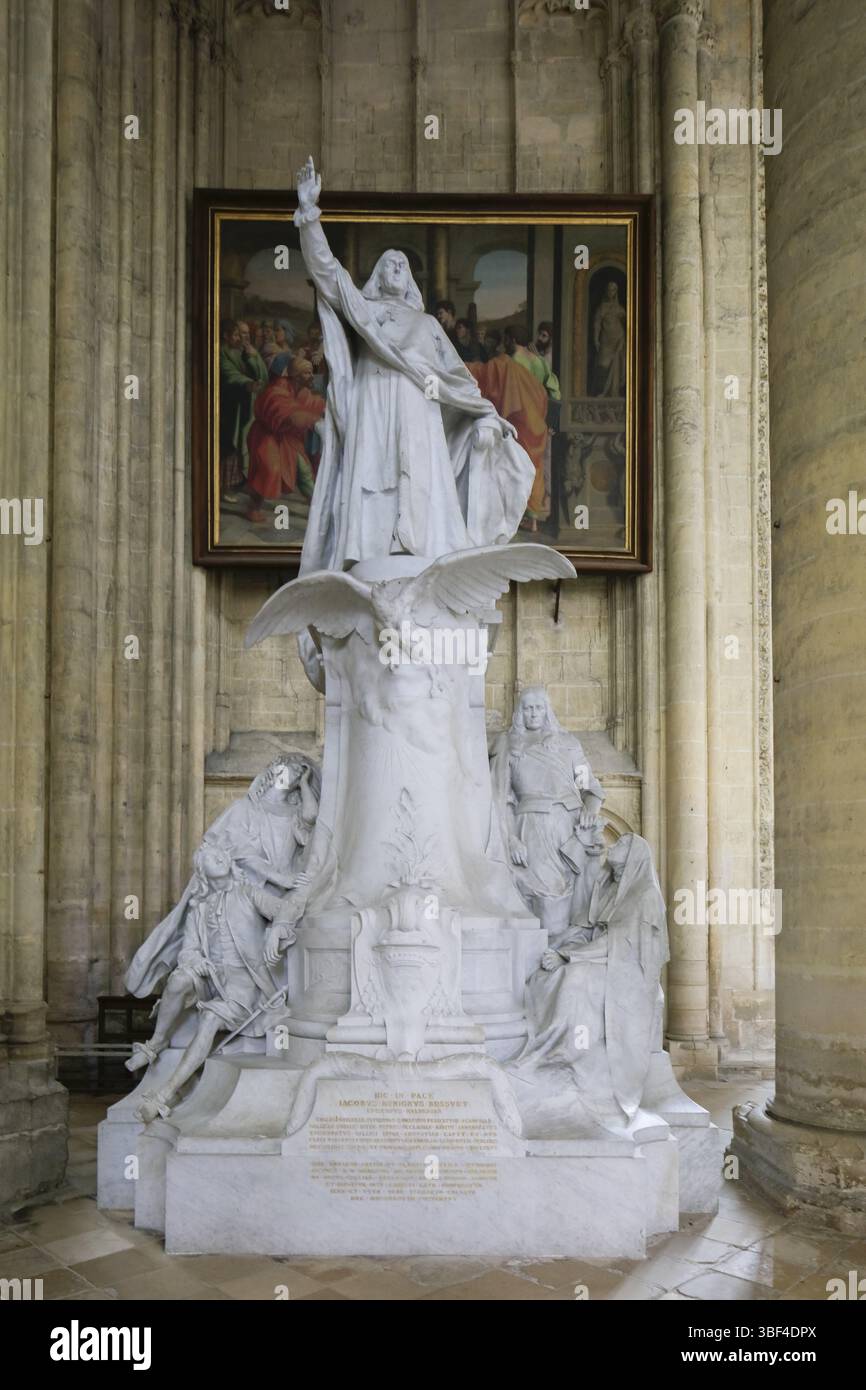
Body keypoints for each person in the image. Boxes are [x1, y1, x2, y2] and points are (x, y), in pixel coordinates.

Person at [292, 156, 534, 570]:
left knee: (415, 477)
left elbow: (458, 378)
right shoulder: (363, 311)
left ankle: (417, 548)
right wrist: (310, 216)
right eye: (389, 263)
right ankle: (367, 553)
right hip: (373, 400)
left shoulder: (427, 325)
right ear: (378, 275)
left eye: (403, 264)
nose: (396, 267)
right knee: (371, 475)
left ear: (411, 278)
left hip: (417, 404)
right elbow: (329, 273)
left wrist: (486, 414)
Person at [133, 844, 299, 1123]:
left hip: (243, 990)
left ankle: (164, 1095)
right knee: (178, 979)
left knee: (210, 1017)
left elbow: (286, 908)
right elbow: (188, 949)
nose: (220, 856)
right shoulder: (200, 909)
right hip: (211, 982)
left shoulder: (247, 893)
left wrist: (277, 930)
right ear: (203, 871)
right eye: (211, 856)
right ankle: (155, 1044)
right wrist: (194, 960)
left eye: (222, 854)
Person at [513, 834, 669, 1124]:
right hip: (605, 958)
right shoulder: (608, 886)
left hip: (627, 969)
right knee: (548, 978)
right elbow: (589, 929)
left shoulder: (644, 893)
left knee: (576, 978)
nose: (616, 845)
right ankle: (546, 1048)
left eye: (622, 843)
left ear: (635, 854)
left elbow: (619, 942)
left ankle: (559, 1051)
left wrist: (569, 957)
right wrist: (561, 946)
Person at [491, 687, 604, 941]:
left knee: (575, 903)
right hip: (532, 829)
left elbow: (592, 789)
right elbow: (499, 799)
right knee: (548, 901)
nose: (533, 714)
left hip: (569, 830)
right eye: (528, 708)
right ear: (520, 712)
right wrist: (510, 839)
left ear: (547, 711)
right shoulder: (509, 745)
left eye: (538, 708)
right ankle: (543, 966)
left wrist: (590, 809)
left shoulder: (568, 744)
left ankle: (561, 960)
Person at [244, 351, 325, 522]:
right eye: (307, 372)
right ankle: (254, 507)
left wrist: (326, 410)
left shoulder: (301, 390)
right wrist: (314, 421)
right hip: (266, 436)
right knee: (269, 471)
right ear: (296, 375)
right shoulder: (277, 389)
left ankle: (318, 510)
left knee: (304, 472)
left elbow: (312, 403)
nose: (311, 376)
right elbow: (285, 410)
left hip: (288, 439)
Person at [591, 281, 627, 396]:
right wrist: (596, 339)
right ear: (606, 291)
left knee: (617, 365)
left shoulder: (619, 308)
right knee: (603, 365)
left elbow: (628, 322)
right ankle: (602, 392)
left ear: (616, 292)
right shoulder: (602, 308)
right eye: (609, 289)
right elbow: (597, 324)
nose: (611, 292)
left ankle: (614, 392)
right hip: (605, 342)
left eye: (613, 290)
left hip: (618, 339)